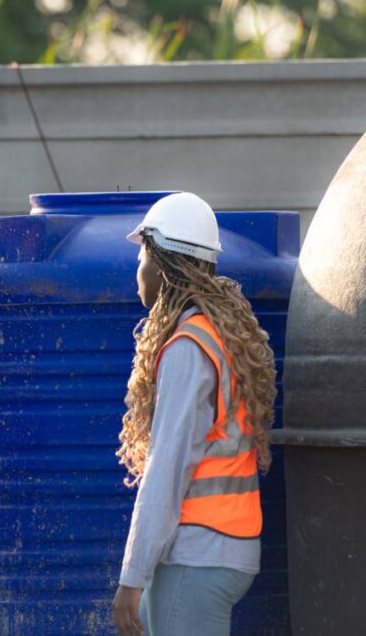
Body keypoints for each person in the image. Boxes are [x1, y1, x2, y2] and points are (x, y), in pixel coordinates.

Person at [111, 192, 278, 636]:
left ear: (163, 265)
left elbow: (167, 467)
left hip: (198, 551)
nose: (137, 271)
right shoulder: (217, 333)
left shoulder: (188, 347)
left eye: (141, 256)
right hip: (221, 548)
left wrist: (133, 576)